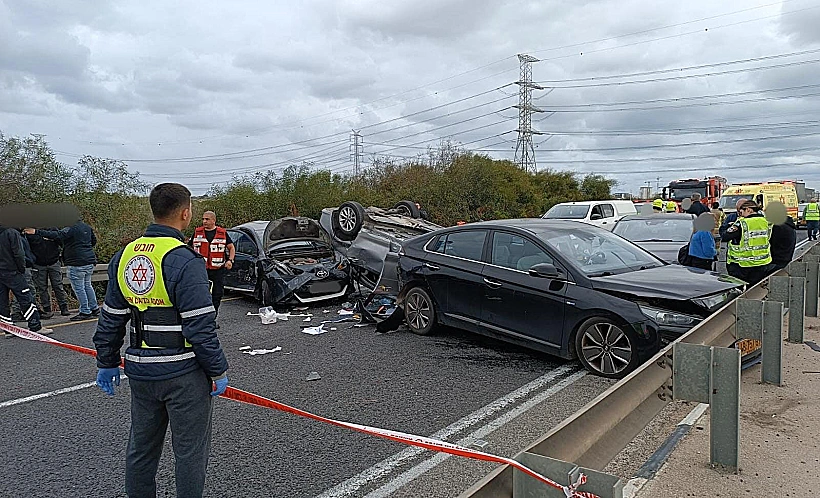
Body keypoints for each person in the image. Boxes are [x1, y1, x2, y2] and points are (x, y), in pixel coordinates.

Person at [93, 182, 228, 498]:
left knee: (141, 449)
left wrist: (107, 361)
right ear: (185, 213)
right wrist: (218, 370)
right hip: (184, 374)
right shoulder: (184, 260)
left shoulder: (124, 256)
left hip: (140, 370)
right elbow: (200, 328)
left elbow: (111, 316)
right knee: (190, 454)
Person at [26, 218, 99, 321]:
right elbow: (93, 241)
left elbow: (58, 235)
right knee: (87, 285)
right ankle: (94, 308)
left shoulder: (70, 228)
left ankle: (85, 311)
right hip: (89, 260)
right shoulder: (86, 227)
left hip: (76, 262)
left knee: (79, 288)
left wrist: (36, 232)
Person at [0, 223, 51, 336]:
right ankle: (35, 325)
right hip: (12, 270)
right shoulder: (11, 232)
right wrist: (21, 268)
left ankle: (8, 329)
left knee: (2, 302)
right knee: (26, 297)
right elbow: (18, 253)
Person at [189, 211, 235, 326]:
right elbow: (189, 247)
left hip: (218, 270)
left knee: (217, 295)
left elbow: (231, 247)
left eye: (207, 219)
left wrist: (230, 260)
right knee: (200, 295)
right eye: (203, 219)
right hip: (201, 270)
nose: (204, 221)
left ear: (213, 220)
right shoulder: (197, 232)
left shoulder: (222, 233)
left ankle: (212, 320)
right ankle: (201, 320)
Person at [724, 200, 774, 286]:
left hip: (742, 265)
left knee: (740, 291)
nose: (741, 215)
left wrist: (728, 226)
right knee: (756, 290)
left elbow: (726, 236)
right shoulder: (766, 221)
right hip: (762, 262)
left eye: (741, 212)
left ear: (748, 209)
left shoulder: (742, 222)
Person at [26, 229, 70, 318]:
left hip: (53, 262)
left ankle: (63, 307)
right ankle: (47, 309)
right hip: (39, 264)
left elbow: (60, 239)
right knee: (42, 288)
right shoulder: (30, 231)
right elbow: (28, 247)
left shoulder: (52, 229)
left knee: (58, 286)